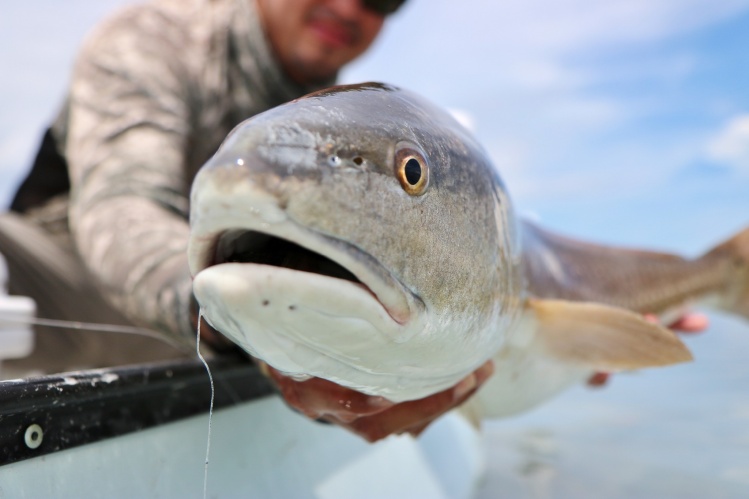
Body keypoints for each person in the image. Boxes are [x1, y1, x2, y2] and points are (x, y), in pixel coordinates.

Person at [0, 0, 707, 442]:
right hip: (63, 293)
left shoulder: (345, 108)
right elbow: (119, 209)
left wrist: (589, 345)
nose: (349, 6)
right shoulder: (153, 35)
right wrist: (232, 325)